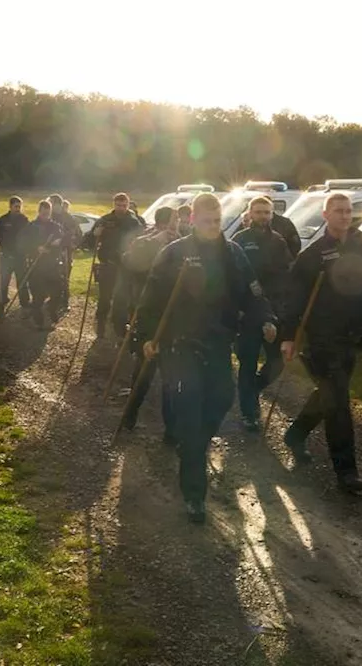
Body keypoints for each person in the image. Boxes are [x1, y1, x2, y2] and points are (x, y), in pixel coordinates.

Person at [137, 192, 275, 523]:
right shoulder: (174, 253)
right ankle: (194, 495)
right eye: (206, 220)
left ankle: (193, 444)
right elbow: (151, 298)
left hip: (217, 343)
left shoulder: (233, 253)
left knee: (223, 399)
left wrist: (267, 317)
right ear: (193, 220)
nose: (213, 226)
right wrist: (146, 336)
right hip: (180, 345)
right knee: (188, 409)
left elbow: (252, 293)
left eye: (217, 220)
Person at [279, 193, 362, 494]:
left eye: (348, 212)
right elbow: (293, 300)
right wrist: (287, 336)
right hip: (320, 339)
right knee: (338, 404)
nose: (345, 216)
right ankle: (346, 471)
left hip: (349, 337)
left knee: (329, 395)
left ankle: (295, 434)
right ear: (325, 215)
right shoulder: (311, 257)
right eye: (338, 211)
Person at [231, 196, 293, 430]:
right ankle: (250, 413)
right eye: (258, 212)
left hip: (274, 311)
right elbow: (232, 279)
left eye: (267, 212)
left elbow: (288, 273)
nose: (263, 217)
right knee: (247, 363)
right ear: (250, 214)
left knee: (276, 362)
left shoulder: (278, 241)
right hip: (247, 313)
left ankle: (253, 389)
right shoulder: (239, 241)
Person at [120, 206, 182, 437]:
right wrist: (157, 242)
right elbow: (131, 263)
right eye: (176, 219)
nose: (179, 223)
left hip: (175, 316)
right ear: (165, 222)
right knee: (144, 372)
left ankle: (171, 429)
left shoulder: (184, 245)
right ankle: (129, 415)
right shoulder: (145, 242)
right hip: (149, 314)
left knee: (172, 377)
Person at [86, 193, 145, 339]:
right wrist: (95, 234)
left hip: (125, 267)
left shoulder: (134, 222)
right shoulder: (105, 220)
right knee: (105, 298)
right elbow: (87, 242)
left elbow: (142, 241)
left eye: (124, 205)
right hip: (108, 265)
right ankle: (100, 325)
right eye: (118, 205)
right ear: (114, 204)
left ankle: (119, 330)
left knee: (122, 299)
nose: (121, 208)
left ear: (128, 204)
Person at [22, 199, 68, 330]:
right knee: (38, 295)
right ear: (39, 212)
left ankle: (51, 311)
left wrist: (57, 245)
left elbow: (64, 242)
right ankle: (38, 321)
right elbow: (22, 244)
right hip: (36, 266)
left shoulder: (56, 226)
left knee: (57, 292)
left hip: (52, 265)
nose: (46, 216)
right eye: (43, 213)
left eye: (48, 214)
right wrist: (36, 248)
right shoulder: (31, 227)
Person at [0, 195, 31, 316]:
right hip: (6, 256)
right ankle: (1, 302)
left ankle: (24, 304)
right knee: (4, 281)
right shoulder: (2, 220)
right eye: (16, 206)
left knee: (22, 281)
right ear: (10, 206)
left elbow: (29, 236)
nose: (18, 209)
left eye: (19, 206)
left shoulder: (24, 219)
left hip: (20, 256)